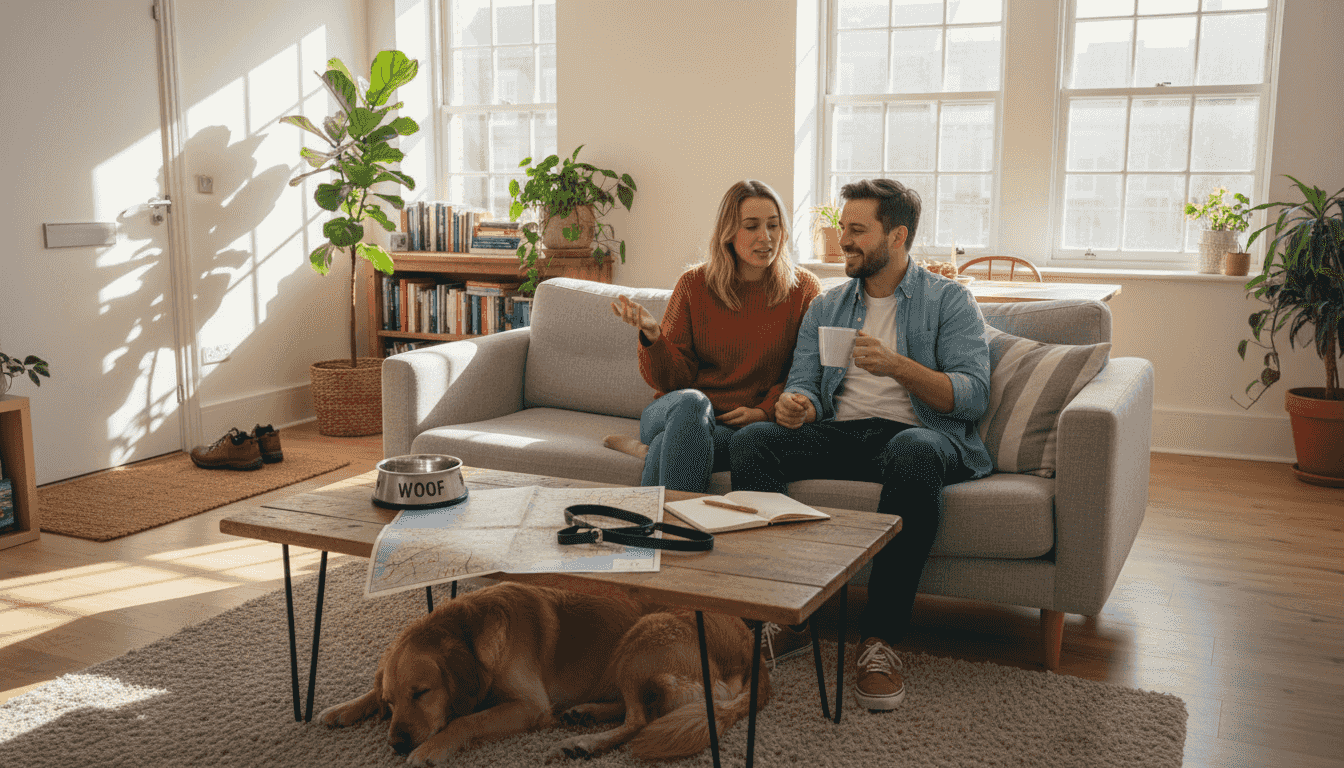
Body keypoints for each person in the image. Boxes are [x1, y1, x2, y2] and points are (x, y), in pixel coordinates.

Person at [729, 178, 992, 711]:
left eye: (856, 230)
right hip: (847, 433)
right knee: (754, 440)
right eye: (843, 228)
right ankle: (787, 614)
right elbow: (804, 380)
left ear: (897, 236)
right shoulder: (828, 306)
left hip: (923, 436)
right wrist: (796, 404)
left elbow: (973, 396)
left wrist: (899, 367)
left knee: (912, 450)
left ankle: (880, 642)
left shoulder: (949, 301)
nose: (843, 239)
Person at [604, 179, 821, 493]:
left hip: (739, 426)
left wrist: (765, 410)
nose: (766, 238)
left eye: (774, 226)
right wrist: (653, 336)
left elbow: (802, 369)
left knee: (673, 445)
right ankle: (675, 529)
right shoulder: (694, 284)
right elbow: (672, 382)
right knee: (693, 403)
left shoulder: (804, 289)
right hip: (676, 411)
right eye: (752, 227)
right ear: (729, 232)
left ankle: (649, 539)